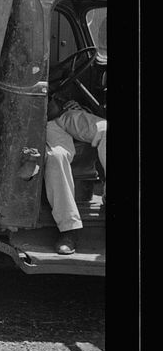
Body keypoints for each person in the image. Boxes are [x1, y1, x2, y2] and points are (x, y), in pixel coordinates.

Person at [44, 98, 107, 255]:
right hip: (44, 120)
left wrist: (82, 106)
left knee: (105, 129)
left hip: (69, 113)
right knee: (57, 156)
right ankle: (68, 229)